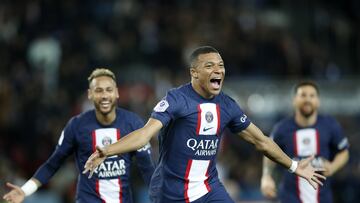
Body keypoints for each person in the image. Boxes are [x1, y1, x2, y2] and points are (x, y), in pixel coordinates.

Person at [83, 46, 325, 203]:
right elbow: (145, 134)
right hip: (170, 193)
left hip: (209, 189)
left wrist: (294, 166)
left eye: (220, 65)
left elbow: (261, 141)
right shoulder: (176, 100)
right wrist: (107, 150)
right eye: (209, 65)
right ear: (194, 73)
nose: (218, 69)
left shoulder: (227, 106)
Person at [3, 68, 155, 203]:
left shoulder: (132, 123)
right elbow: (53, 164)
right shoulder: (76, 126)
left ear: (116, 92)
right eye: (98, 90)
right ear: (90, 94)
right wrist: (25, 190)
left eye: (109, 90)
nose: (104, 95)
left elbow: (147, 167)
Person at [260, 81, 349, 203]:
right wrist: (266, 176)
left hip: (322, 198)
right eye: (303, 95)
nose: (307, 99)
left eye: (312, 96)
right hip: (289, 198)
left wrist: (333, 167)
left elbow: (344, 152)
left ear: (318, 101)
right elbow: (269, 152)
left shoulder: (330, 125)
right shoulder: (282, 128)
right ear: (294, 100)